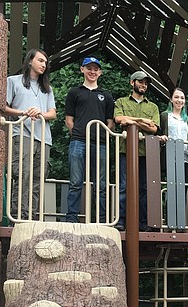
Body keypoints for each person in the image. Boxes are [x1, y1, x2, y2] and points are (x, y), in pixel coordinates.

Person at [5, 48, 56, 220]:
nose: (44, 64)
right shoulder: (13, 81)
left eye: (45, 62)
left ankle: (31, 218)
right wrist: (24, 113)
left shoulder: (47, 88)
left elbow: (53, 113)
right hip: (22, 134)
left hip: (44, 138)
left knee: (38, 179)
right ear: (29, 61)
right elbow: (3, 107)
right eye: (41, 60)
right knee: (22, 175)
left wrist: (39, 113)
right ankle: (17, 217)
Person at [64, 57, 115, 224]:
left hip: (100, 144)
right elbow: (68, 119)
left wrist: (104, 134)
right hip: (78, 141)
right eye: (89, 68)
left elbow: (110, 121)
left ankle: (101, 220)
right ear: (82, 69)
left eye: (96, 69)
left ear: (100, 72)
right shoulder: (74, 92)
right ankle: (71, 219)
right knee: (75, 182)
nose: (92, 72)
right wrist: (77, 133)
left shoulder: (106, 95)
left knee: (101, 184)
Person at [114, 70, 160, 231]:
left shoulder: (153, 106)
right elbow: (119, 119)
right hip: (125, 151)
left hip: (145, 152)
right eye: (140, 82)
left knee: (144, 188)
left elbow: (154, 128)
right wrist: (142, 121)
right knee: (124, 186)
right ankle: (121, 221)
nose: (143, 85)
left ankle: (143, 222)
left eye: (146, 83)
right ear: (132, 83)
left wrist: (132, 122)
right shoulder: (121, 102)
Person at [159, 87, 188, 181]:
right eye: (176, 97)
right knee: (170, 186)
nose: (179, 100)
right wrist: (161, 138)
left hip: (185, 158)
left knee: (184, 187)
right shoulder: (164, 116)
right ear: (171, 99)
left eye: (182, 98)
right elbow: (158, 133)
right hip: (169, 156)